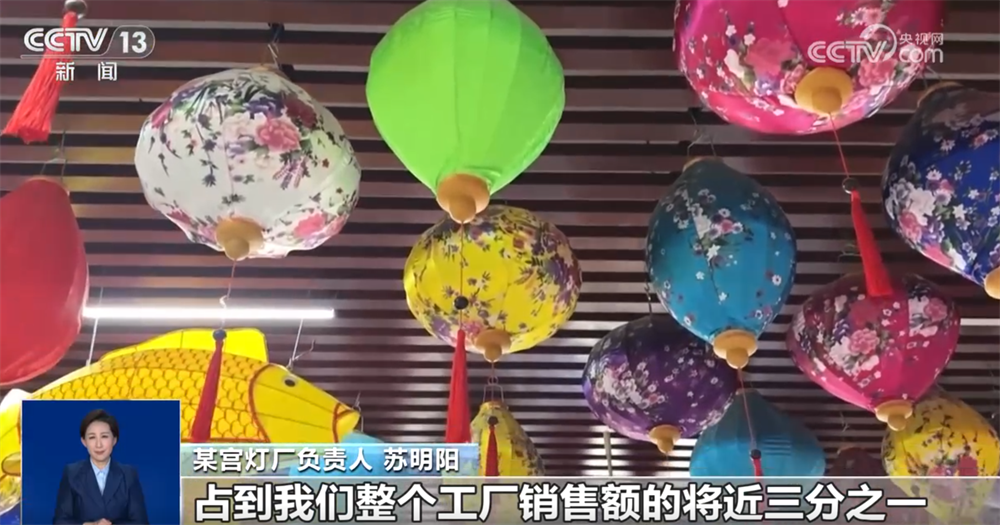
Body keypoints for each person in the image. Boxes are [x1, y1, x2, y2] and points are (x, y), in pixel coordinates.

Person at [53, 409, 149, 525]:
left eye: (104, 436)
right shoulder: (71, 473)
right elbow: (60, 521)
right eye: (92, 437)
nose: (98, 445)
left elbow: (141, 522)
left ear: (114, 440)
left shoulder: (129, 474)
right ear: (84, 441)